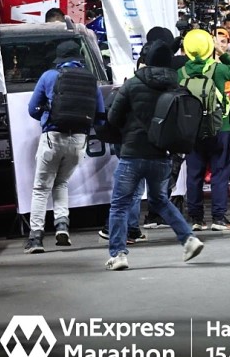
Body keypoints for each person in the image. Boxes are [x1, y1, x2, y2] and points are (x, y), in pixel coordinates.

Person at [104, 40, 204, 270]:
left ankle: (119, 254)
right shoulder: (175, 85)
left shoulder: (132, 85)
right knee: (160, 200)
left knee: (120, 204)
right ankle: (189, 239)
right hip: (161, 155)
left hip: (132, 153)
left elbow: (113, 119)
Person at [24, 40, 105, 253]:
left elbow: (32, 109)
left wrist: (46, 115)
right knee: (61, 183)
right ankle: (62, 226)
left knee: (41, 187)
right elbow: (100, 116)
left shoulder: (49, 76)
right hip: (79, 140)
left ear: (59, 59)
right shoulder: (91, 80)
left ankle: (36, 238)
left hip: (53, 135)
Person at [180, 29, 230, 231]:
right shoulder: (218, 69)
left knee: (194, 175)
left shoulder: (181, 73)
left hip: (191, 131)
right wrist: (221, 51)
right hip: (219, 127)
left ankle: (196, 219)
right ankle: (219, 218)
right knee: (220, 174)